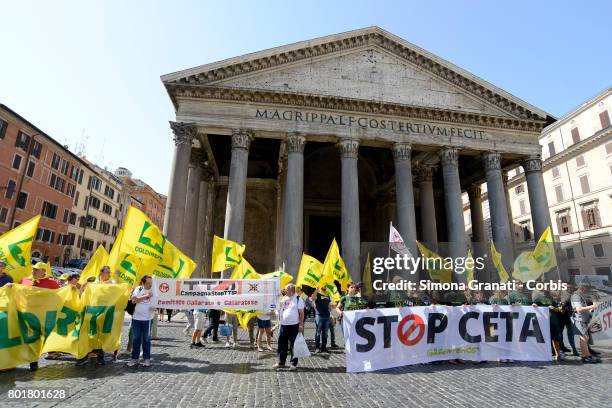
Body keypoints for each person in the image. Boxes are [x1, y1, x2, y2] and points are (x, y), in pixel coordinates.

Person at [19, 262, 60, 370]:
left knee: (41, 336)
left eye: (37, 269)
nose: (34, 271)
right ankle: (32, 361)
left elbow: (60, 295)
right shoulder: (25, 280)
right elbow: (17, 291)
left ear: (44, 271)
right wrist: (10, 287)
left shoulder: (52, 283)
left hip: (44, 315)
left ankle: (44, 355)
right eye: (33, 269)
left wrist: (71, 290)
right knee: (31, 338)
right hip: (28, 314)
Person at [76, 266, 116, 366]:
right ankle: (85, 355)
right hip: (92, 311)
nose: (109, 274)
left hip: (105, 312)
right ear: (101, 273)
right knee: (89, 334)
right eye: (107, 272)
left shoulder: (112, 284)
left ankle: (100, 357)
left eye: (109, 272)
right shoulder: (94, 284)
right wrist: (83, 286)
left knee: (101, 334)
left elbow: (117, 295)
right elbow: (84, 295)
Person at [272, 283, 305, 371]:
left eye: (286, 289)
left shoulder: (298, 299)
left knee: (294, 345)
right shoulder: (284, 298)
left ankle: (293, 364)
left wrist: (301, 324)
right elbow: (279, 309)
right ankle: (281, 362)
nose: (284, 290)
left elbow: (302, 313)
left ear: (291, 290)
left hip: (294, 325)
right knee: (282, 344)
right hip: (283, 325)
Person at [128, 275, 154, 367]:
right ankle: (135, 359)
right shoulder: (138, 289)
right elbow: (134, 300)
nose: (150, 284)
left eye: (151, 282)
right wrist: (146, 296)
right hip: (136, 319)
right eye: (148, 283)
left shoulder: (154, 290)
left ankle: (147, 359)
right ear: (143, 283)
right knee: (136, 339)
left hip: (148, 319)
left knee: (146, 340)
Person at [533, 290, 566, 361]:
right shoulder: (537, 299)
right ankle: (541, 355)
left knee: (555, 339)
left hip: (553, 321)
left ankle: (558, 355)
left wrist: (554, 308)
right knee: (542, 339)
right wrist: (535, 306)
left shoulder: (552, 298)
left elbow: (560, 310)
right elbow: (532, 308)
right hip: (543, 321)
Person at [571, 284, 600, 364]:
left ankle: (588, 355)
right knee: (584, 338)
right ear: (581, 288)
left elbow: (584, 308)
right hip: (579, 320)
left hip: (583, 319)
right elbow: (579, 309)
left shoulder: (580, 295)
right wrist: (592, 306)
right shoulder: (576, 296)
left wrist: (592, 308)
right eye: (585, 289)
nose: (585, 291)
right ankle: (584, 356)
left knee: (585, 338)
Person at [558, 286, 579, 356]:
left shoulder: (573, 294)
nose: (569, 288)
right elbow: (561, 304)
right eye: (568, 287)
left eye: (570, 287)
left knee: (570, 333)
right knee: (560, 333)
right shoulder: (562, 293)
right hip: (562, 315)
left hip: (569, 315)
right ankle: (561, 348)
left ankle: (573, 349)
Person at [310, 286, 332, 353]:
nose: (325, 286)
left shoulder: (327, 294)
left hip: (327, 316)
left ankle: (324, 347)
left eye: (325, 285)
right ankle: (317, 347)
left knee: (325, 333)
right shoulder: (318, 293)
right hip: (319, 316)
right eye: (323, 285)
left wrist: (331, 314)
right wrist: (316, 290)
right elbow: (312, 298)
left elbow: (329, 305)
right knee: (318, 332)